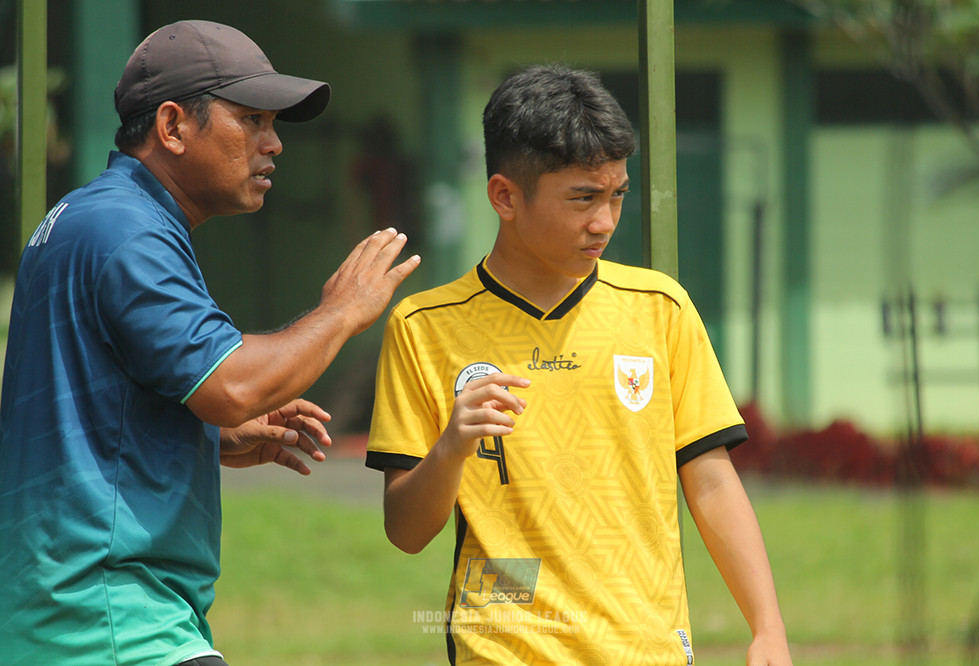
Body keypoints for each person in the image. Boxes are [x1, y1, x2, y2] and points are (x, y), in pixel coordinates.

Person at [0, 20, 419, 666]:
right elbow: (233, 386)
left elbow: (89, 409)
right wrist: (342, 312)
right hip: (112, 622)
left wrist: (213, 439)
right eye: (251, 119)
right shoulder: (127, 231)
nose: (273, 143)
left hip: (64, 618)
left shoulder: (92, 217)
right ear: (172, 126)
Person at [365, 64, 792, 665]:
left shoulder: (660, 309)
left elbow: (713, 480)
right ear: (504, 196)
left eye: (617, 194)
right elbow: (405, 532)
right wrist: (450, 450)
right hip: (504, 651)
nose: (605, 221)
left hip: (647, 649)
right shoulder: (426, 328)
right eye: (583, 198)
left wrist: (767, 628)